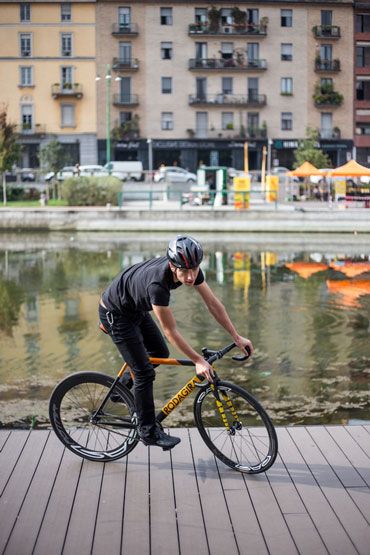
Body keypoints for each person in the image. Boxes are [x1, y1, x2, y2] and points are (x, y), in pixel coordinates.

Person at [99, 236, 253, 450]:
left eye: (194, 269)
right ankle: (148, 431)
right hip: (116, 313)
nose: (190, 277)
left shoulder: (192, 272)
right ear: (172, 266)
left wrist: (236, 337)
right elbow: (170, 331)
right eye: (184, 271)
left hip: (134, 306)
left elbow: (213, 304)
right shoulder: (157, 287)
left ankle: (123, 386)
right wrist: (198, 360)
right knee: (144, 372)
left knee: (159, 351)